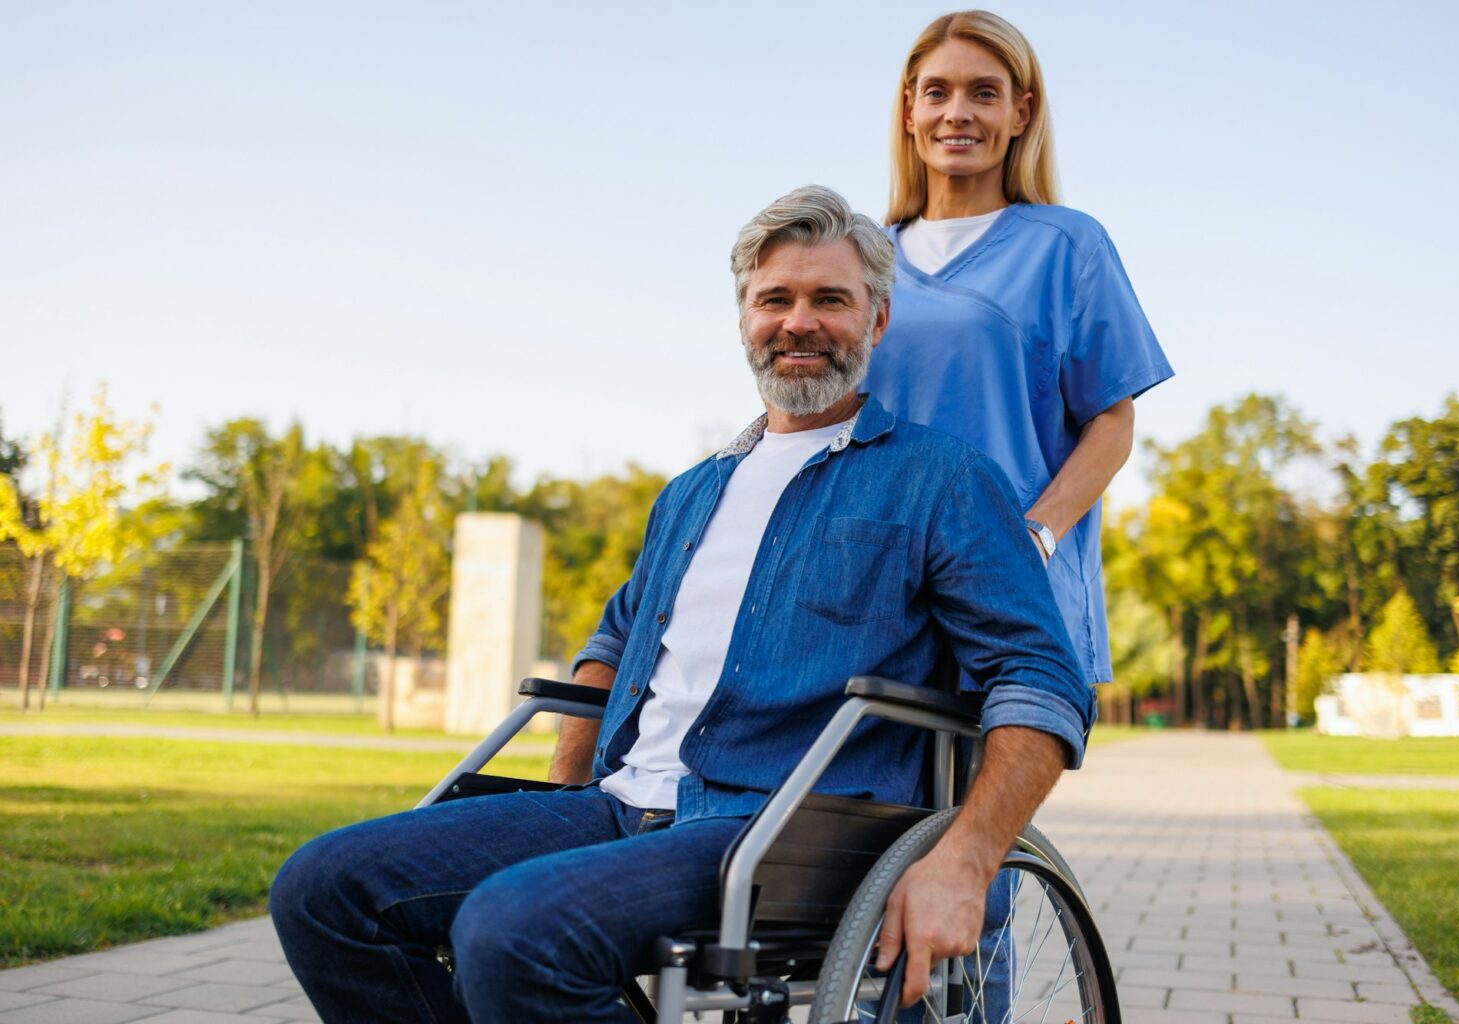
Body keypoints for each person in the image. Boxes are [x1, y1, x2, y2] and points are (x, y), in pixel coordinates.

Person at [269, 186, 1091, 1023]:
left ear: (876, 322)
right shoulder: (692, 495)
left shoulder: (941, 480)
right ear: (744, 320)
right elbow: (616, 635)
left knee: (513, 932)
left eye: (829, 300)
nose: (798, 321)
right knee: (324, 889)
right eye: (775, 299)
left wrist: (968, 858)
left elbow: (1042, 678)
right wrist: (564, 793)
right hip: (621, 805)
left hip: (783, 826)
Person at [864, 10, 1175, 687]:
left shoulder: (1068, 246)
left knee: (982, 792)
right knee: (859, 794)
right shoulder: (863, 259)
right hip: (877, 595)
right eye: (938, 92)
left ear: (1020, 113)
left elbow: (1113, 422)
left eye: (984, 92)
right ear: (910, 109)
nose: (958, 113)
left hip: (1007, 592)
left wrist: (1033, 536)